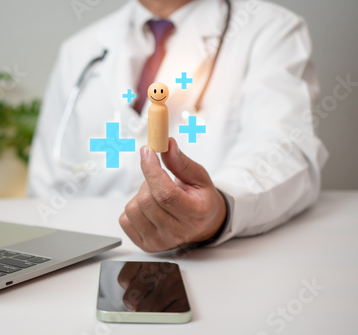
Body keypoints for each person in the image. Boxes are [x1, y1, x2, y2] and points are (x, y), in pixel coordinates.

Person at [28, 0, 328, 252]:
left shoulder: (270, 29)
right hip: (86, 255)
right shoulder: (80, 50)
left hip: (212, 259)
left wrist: (219, 208)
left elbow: (285, 149)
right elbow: (46, 181)